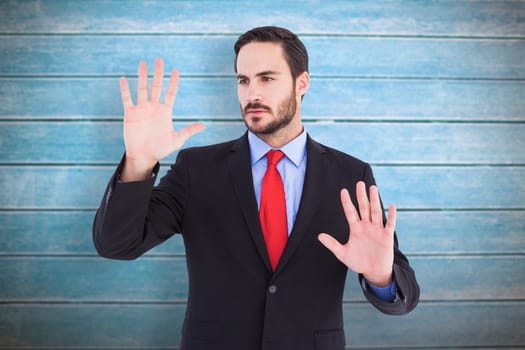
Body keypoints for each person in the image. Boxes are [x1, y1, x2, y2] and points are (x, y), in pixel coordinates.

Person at [93, 26, 419, 350]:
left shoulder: (349, 174)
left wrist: (381, 277)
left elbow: (403, 299)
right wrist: (138, 162)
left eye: (267, 78)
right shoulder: (197, 169)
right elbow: (117, 245)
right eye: (243, 80)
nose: (252, 94)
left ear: (301, 84)